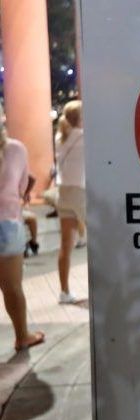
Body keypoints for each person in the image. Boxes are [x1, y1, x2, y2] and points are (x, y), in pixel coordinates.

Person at [0, 106, 45, 350]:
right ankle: (22, 336)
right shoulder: (15, 149)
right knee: (12, 288)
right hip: (6, 223)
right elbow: (21, 186)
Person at [55, 100, 86, 304]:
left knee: (65, 246)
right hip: (81, 192)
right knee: (102, 241)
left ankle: (64, 291)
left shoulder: (60, 137)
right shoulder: (85, 137)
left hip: (63, 192)